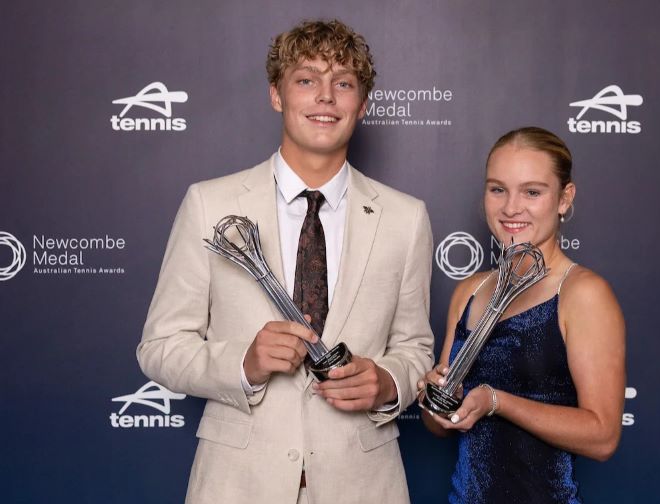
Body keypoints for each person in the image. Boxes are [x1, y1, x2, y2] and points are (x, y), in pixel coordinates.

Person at [138, 20, 434, 504]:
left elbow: (415, 348)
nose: (325, 97)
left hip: (363, 485)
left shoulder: (406, 218)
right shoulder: (209, 205)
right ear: (277, 95)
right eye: (306, 80)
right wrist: (244, 363)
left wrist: (385, 382)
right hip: (236, 487)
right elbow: (160, 347)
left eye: (343, 83)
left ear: (362, 104)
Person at [420, 127, 625, 503]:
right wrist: (436, 399)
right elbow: (440, 426)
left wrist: (497, 402)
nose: (511, 208)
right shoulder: (470, 291)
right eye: (498, 189)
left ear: (564, 198)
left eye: (532, 192)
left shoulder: (582, 294)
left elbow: (603, 437)